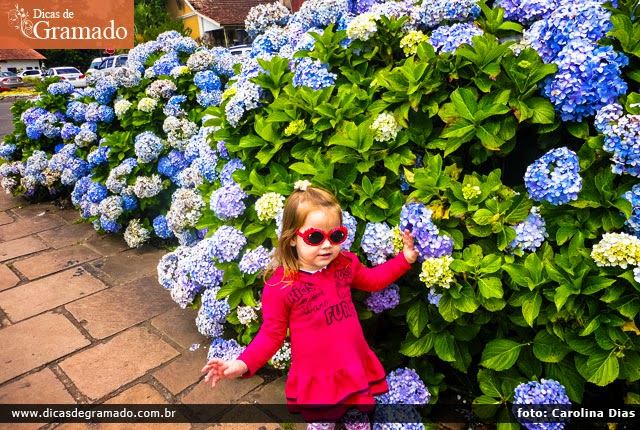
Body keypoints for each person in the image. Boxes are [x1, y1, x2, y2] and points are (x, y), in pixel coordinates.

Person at [202, 182, 419, 429]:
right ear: (292, 239)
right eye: (315, 237)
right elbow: (271, 335)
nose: (327, 245)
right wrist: (241, 364)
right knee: (321, 424)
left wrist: (405, 259)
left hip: (352, 366)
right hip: (318, 379)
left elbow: (373, 280)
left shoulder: (345, 264)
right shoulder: (281, 286)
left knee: (358, 419)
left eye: (336, 236)